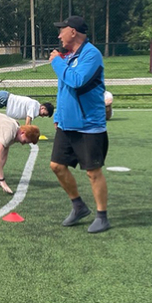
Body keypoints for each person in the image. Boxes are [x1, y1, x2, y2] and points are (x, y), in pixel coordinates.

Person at [48, 16, 111, 234]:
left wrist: (56, 62)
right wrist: (58, 115)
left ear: (73, 32)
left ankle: (102, 216)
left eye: (62, 30)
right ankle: (78, 206)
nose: (59, 36)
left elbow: (76, 81)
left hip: (88, 126)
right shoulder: (68, 56)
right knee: (57, 166)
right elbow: (64, 89)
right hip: (67, 125)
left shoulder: (91, 55)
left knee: (93, 172)